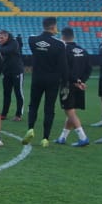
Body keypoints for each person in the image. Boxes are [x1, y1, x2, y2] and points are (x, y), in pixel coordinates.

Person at [21, 17, 69, 147]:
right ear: (54, 27)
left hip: (37, 77)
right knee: (49, 108)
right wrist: (65, 83)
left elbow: (36, 41)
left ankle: (30, 128)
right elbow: (63, 66)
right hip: (53, 79)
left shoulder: (33, 40)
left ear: (43, 25)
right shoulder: (59, 44)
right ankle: (45, 138)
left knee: (33, 105)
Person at [56, 26, 92, 146]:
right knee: (71, 111)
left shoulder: (64, 51)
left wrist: (75, 80)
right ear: (73, 36)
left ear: (62, 37)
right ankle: (62, 137)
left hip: (68, 85)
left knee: (69, 111)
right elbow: (89, 69)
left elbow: (64, 70)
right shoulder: (82, 50)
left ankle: (83, 137)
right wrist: (81, 81)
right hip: (79, 85)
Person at [0, 30, 25, 119]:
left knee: (18, 93)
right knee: (6, 94)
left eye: (2, 38)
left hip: (17, 71)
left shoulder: (14, 42)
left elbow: (7, 50)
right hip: (6, 72)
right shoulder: (2, 45)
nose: (0, 40)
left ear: (7, 36)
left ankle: (18, 114)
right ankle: (4, 114)